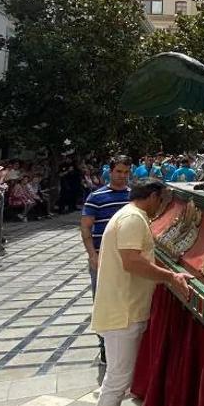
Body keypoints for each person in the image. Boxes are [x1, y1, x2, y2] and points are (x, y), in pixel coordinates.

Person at [89, 180, 190, 406]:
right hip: (123, 314)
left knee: (117, 384)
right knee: (115, 386)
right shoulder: (133, 219)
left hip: (124, 309)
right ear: (154, 196)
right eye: (163, 199)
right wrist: (171, 276)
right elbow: (133, 262)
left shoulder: (130, 216)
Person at [81, 156, 133, 365]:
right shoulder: (96, 196)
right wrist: (92, 255)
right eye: (118, 171)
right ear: (110, 172)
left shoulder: (133, 196)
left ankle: (124, 346)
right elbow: (86, 226)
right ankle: (103, 347)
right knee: (102, 302)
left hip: (127, 257)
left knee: (126, 301)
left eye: (126, 172)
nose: (122, 176)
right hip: (102, 258)